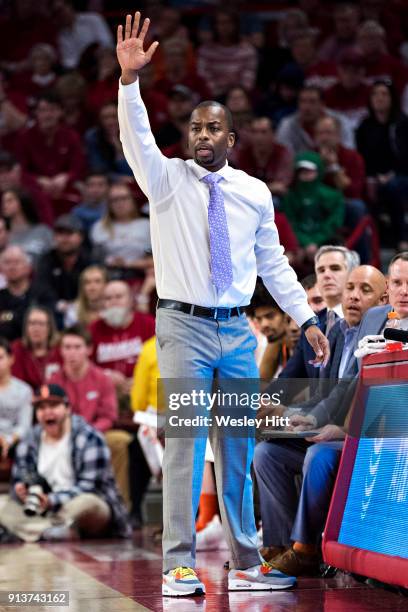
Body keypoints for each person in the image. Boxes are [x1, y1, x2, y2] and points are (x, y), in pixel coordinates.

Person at [116, 12, 328, 596]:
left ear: (231, 139)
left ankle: (246, 562)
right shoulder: (164, 180)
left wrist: (306, 317)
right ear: (187, 138)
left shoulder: (254, 192)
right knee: (184, 441)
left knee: (237, 445)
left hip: (236, 331)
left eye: (214, 129)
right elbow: (134, 135)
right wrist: (130, 82)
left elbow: (275, 264)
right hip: (182, 324)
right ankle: (177, 564)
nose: (203, 136)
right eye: (195, 129)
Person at [254, 264, 387, 575]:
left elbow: (376, 406)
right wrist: (301, 417)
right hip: (332, 431)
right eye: (350, 289)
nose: (353, 296)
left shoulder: (382, 337)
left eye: (364, 291)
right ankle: (278, 544)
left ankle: (306, 549)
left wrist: (340, 429)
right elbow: (330, 395)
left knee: (318, 454)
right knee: (267, 453)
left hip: (364, 439)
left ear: (383, 301)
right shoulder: (340, 332)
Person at [0, 383, 131, 542]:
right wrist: (21, 491)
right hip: (43, 509)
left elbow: (89, 487)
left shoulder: (89, 437)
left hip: (81, 507)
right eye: (41, 408)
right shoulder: (28, 442)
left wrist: (51, 500)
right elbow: (20, 479)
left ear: (68, 408)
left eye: (54, 405)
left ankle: (31, 531)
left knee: (86, 503)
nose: (48, 412)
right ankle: (49, 531)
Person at [49, 326, 133, 511]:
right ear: (61, 350)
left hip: (96, 434)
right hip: (64, 434)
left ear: (89, 349)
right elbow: (49, 415)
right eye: (67, 347)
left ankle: (121, 506)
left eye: (77, 347)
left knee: (120, 440)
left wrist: (89, 433)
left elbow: (109, 416)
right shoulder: (54, 381)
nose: (72, 352)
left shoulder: (102, 379)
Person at [90, 280, 155, 398]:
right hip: (107, 393)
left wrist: (141, 378)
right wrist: (105, 375)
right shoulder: (93, 329)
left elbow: (160, 359)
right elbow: (86, 364)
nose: (114, 302)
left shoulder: (148, 324)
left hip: (146, 391)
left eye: (119, 297)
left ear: (130, 300)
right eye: (108, 298)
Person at [281, 152, 345, 260]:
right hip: (298, 244)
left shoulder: (332, 196)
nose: (305, 174)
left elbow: (333, 223)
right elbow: (290, 223)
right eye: (302, 171)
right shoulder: (290, 197)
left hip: (326, 242)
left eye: (310, 171)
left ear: (318, 171)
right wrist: (306, 243)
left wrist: (316, 242)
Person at [33, 214, 96, 323]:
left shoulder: (90, 260)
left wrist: (79, 305)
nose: (64, 239)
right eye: (60, 234)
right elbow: (42, 290)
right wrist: (60, 305)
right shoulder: (46, 260)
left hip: (87, 311)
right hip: (55, 313)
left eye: (69, 233)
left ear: (81, 237)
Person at [90, 182, 152, 281]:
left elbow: (153, 261)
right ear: (109, 204)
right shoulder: (99, 227)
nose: (120, 203)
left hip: (139, 276)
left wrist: (127, 263)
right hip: (107, 277)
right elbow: (96, 260)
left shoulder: (147, 225)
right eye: (114, 200)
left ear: (132, 200)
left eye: (124, 198)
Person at [276, 86, 355, 155]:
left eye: (312, 102)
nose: (306, 107)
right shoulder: (288, 125)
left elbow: (349, 151)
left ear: (322, 104)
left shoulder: (340, 121)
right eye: (303, 101)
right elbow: (283, 158)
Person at [11, 306, 61, 389]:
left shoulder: (59, 350)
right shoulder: (17, 349)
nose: (36, 329)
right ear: (26, 327)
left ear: (49, 328)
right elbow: (16, 384)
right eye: (32, 323)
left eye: (41, 324)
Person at [0, 337, 33, 461]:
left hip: (16, 442)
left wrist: (8, 440)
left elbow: (25, 426)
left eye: (0, 358)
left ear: (11, 359)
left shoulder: (24, 390)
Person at [1, 188, 53, 262]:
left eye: (9, 201)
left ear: (22, 201)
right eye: (3, 202)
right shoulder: (3, 235)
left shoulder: (43, 231)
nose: (5, 205)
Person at [0, 246, 36, 341]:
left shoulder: (41, 294)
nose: (12, 267)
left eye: (17, 262)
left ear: (28, 267)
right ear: (1, 268)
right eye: (7, 263)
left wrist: (9, 316)